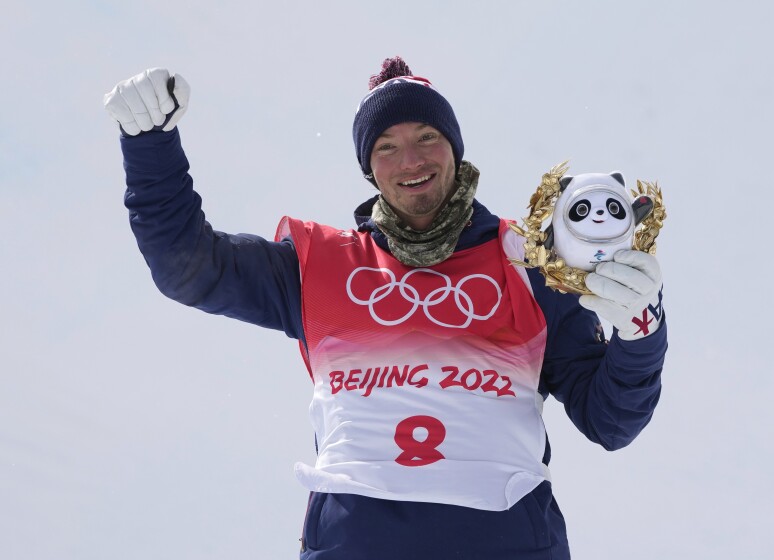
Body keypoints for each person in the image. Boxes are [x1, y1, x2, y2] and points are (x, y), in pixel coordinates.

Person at [103, 57, 667, 560]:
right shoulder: (319, 267)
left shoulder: (529, 264)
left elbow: (610, 420)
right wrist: (149, 145)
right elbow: (187, 266)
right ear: (370, 169)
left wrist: (641, 330)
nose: (410, 160)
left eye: (427, 137)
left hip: (508, 542)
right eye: (387, 147)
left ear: (455, 148)